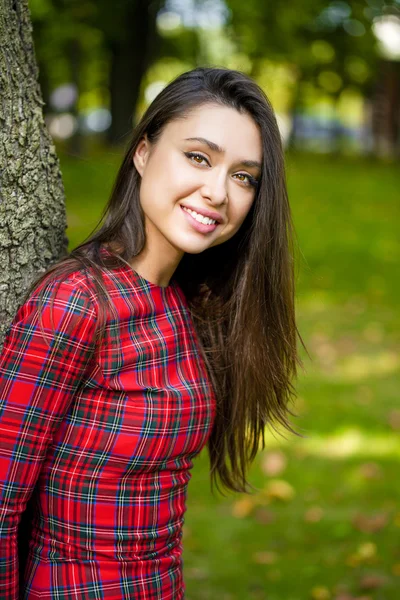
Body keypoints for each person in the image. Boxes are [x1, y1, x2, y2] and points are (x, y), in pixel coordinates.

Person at [0, 67, 302, 599]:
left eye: (243, 176)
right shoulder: (75, 303)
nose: (217, 192)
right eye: (198, 157)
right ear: (143, 153)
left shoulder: (187, 303)